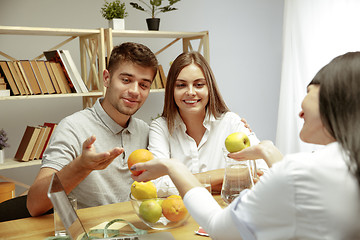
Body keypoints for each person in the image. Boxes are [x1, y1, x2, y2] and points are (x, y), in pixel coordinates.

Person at [132, 51, 360, 239]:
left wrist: (175, 168)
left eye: (309, 92)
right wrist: (266, 152)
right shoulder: (338, 164)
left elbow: (219, 226)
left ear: (334, 100)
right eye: (181, 85)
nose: (299, 110)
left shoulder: (298, 168)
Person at [27, 42, 158, 216]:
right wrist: (81, 166)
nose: (135, 91)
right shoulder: (72, 127)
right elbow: (35, 205)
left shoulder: (146, 131)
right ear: (106, 78)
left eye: (144, 85)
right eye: (126, 80)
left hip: (135, 230)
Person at [148, 51, 267, 192]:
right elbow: (157, 185)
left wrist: (181, 180)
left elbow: (262, 172)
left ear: (209, 87)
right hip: (179, 212)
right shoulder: (160, 127)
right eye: (181, 85)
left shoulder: (231, 122)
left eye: (199, 85)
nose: (191, 92)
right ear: (171, 90)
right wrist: (225, 175)